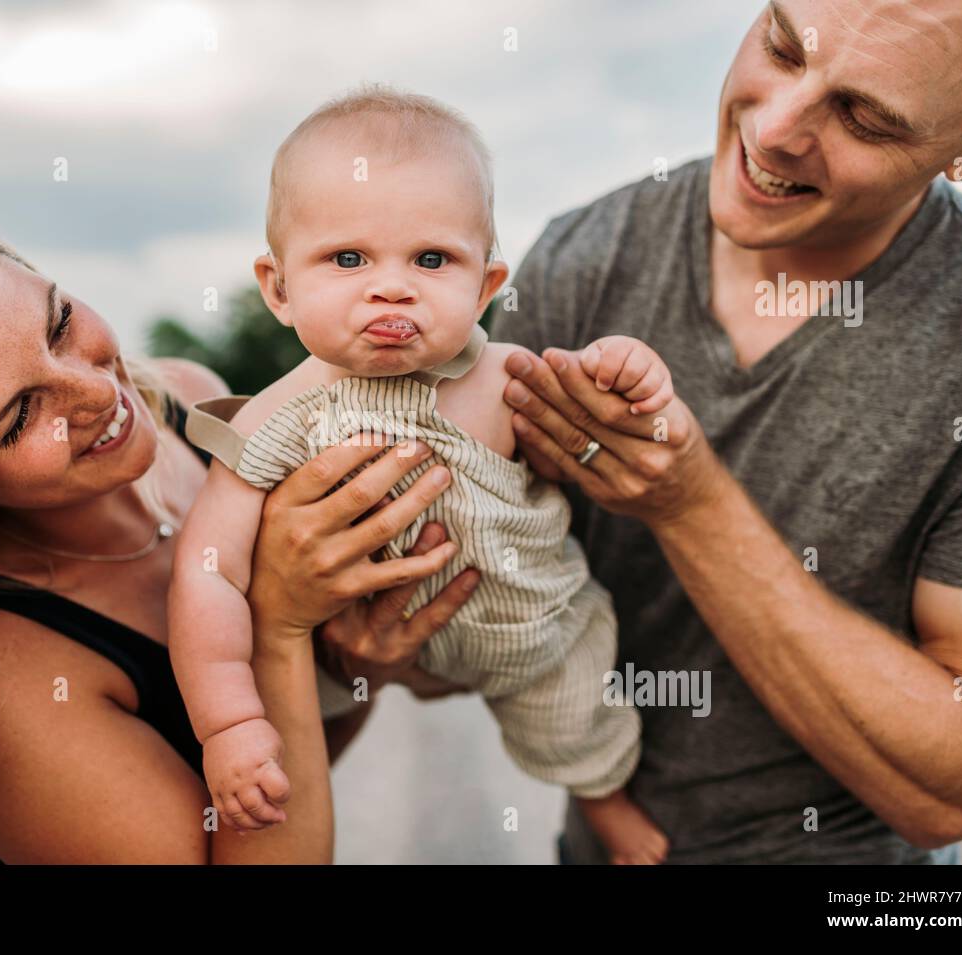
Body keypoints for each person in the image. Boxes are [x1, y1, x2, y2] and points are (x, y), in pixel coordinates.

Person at [0, 194, 480, 863]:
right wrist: (279, 628)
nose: (98, 389)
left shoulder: (190, 402)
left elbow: (298, 770)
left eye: (60, 321)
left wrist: (363, 660)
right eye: (19, 415)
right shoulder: (0, 678)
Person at [492, 0, 962, 863]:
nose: (773, 130)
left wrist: (690, 504)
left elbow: (956, 790)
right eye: (780, 44)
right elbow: (471, 624)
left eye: (866, 118)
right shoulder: (582, 260)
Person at [171, 87, 676, 862]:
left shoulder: (507, 377)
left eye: (431, 259)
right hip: (397, 640)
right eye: (348, 258)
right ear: (278, 288)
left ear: (485, 285)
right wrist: (230, 722)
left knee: (580, 720)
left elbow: (598, 420)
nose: (391, 286)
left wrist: (629, 375)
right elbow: (207, 573)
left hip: (543, 625)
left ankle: (601, 800)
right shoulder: (276, 418)